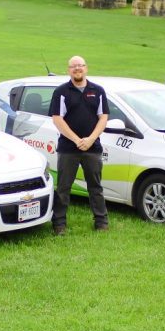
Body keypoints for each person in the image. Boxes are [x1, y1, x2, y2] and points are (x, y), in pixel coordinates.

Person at [49, 55, 109, 234]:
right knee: (63, 188)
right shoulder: (61, 92)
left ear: (86, 68)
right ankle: (59, 224)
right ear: (69, 70)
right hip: (68, 149)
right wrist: (76, 140)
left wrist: (90, 139)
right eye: (73, 66)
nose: (77, 69)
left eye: (80, 65)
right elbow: (57, 119)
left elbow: (103, 118)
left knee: (95, 187)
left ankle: (101, 222)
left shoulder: (97, 91)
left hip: (92, 148)